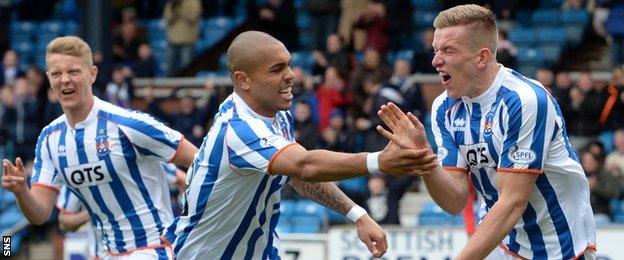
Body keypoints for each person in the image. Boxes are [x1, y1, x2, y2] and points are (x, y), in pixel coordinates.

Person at [161, 30, 436, 259]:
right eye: (277, 69)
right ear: (243, 80)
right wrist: (379, 162)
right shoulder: (238, 130)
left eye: (289, 64)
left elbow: (295, 173)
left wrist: (356, 214)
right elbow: (304, 165)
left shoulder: (277, 115)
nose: (291, 75)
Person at [375, 5, 596, 259]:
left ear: (481, 57)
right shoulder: (443, 108)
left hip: (560, 247)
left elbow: (513, 202)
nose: (435, 60)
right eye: (436, 50)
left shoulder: (524, 100)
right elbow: (455, 201)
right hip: (501, 242)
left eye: (448, 50)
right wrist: (424, 158)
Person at [1, 36, 198, 258]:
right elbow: (41, 214)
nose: (65, 79)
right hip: (105, 253)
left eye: (73, 71)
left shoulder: (128, 125)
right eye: (56, 74)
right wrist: (21, 193)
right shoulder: (50, 140)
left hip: (152, 249)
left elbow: (201, 160)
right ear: (49, 79)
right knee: (6, 247)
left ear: (92, 74)